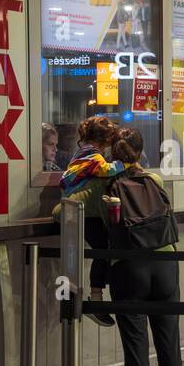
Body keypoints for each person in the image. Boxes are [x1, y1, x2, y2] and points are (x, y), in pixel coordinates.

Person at [55, 127, 182, 366]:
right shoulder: (154, 180)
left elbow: (62, 212)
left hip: (129, 267)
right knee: (169, 339)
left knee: (136, 344)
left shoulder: (104, 186)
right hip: (166, 265)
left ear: (112, 154)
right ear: (140, 152)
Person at [60, 116, 124, 326]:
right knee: (102, 250)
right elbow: (108, 170)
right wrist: (126, 162)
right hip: (85, 212)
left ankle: (98, 297)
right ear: (105, 140)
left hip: (81, 212)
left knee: (103, 250)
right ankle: (95, 298)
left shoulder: (82, 152)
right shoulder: (93, 156)